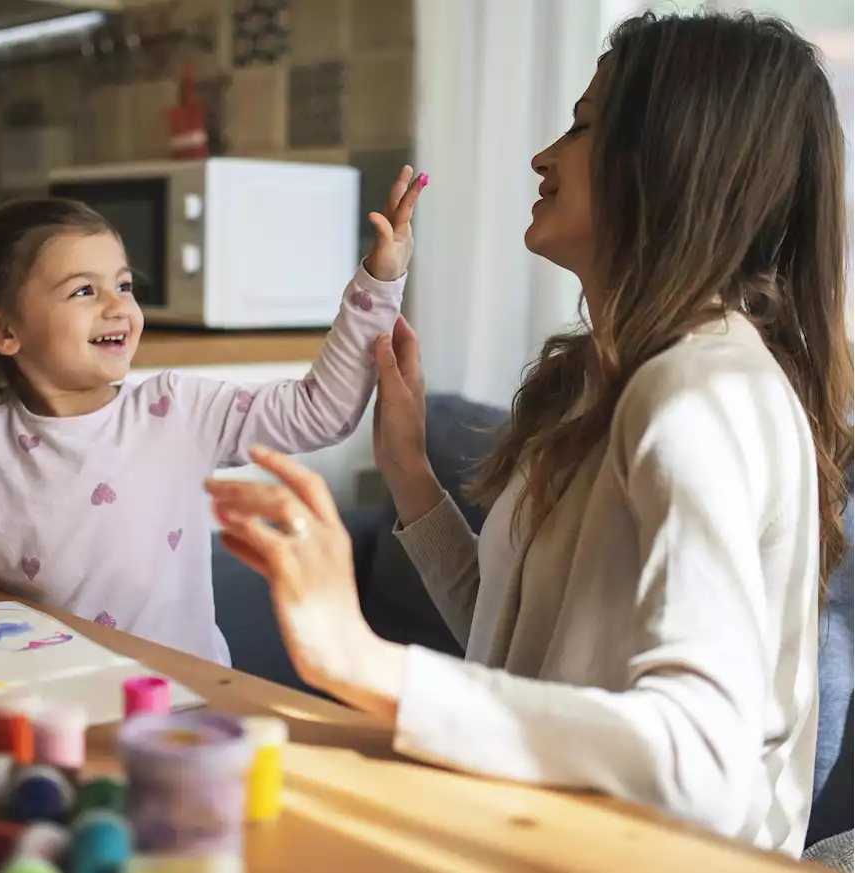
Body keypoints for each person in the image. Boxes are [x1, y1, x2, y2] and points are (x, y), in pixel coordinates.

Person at [204, 10, 854, 856]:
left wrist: (365, 662)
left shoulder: (701, 396)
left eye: (584, 126)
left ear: (670, 159)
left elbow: (705, 758)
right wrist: (405, 467)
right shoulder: (616, 379)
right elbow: (521, 654)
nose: (545, 155)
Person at [0, 173, 424, 666]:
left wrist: (380, 281)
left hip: (182, 698)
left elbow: (321, 411)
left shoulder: (179, 409)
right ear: (0, 329)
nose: (118, 306)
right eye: (84, 291)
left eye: (124, 285)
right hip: (51, 697)